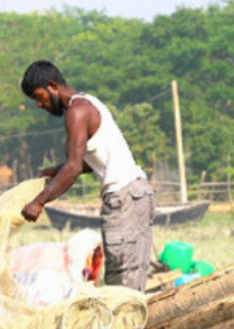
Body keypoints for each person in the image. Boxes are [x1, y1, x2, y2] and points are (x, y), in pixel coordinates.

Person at [19, 61, 155, 291]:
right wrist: (56, 170)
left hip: (124, 198)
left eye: (38, 96)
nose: (38, 105)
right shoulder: (89, 102)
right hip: (137, 193)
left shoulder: (77, 111)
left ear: (52, 85)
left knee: (120, 287)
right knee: (131, 283)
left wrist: (38, 202)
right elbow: (88, 163)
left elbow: (73, 167)